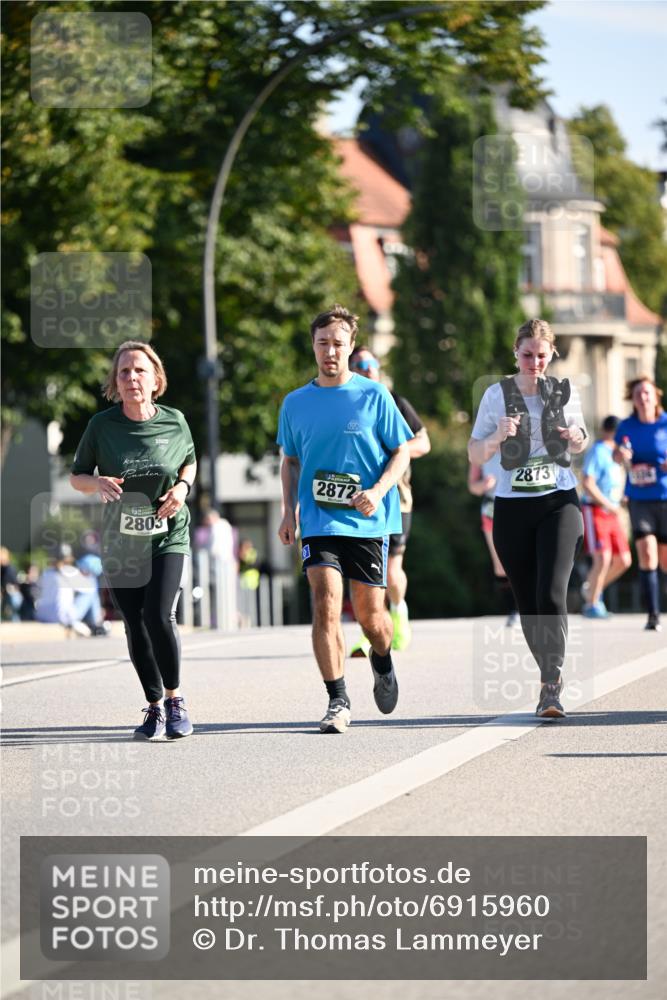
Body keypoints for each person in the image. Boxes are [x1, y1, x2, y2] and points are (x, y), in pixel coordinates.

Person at [277, 304, 412, 733]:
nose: (329, 351)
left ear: (351, 346)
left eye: (337, 344)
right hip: (319, 522)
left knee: (373, 618)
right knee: (325, 604)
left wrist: (377, 491)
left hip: (368, 522)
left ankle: (382, 659)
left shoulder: (374, 396)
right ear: (312, 347)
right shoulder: (295, 403)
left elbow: (401, 451)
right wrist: (287, 511)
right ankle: (338, 699)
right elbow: (290, 461)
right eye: (322, 344)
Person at [70, 340, 197, 740]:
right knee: (135, 625)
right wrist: (97, 482)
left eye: (139, 370)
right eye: (123, 372)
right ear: (115, 382)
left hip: (167, 534)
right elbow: (77, 477)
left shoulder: (174, 421)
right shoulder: (102, 426)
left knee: (159, 615)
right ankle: (154, 706)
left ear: (155, 378)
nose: (131, 378)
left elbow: (190, 462)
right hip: (121, 541)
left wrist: (182, 489)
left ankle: (176, 701)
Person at [468, 318, 587, 720]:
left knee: (552, 592)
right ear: (515, 354)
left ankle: (550, 685)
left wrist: (575, 438)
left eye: (541, 355)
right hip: (513, 506)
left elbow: (582, 436)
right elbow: (475, 454)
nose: (534, 362)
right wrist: (496, 437)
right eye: (526, 355)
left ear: (551, 354)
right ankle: (547, 672)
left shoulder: (565, 392)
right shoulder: (495, 396)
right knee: (530, 601)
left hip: (559, 502)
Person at [347, 346, 431, 654]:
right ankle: (369, 631)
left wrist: (395, 448)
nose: (366, 369)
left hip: (396, 497)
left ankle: (398, 611)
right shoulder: (345, 403)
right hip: (357, 497)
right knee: (364, 570)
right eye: (359, 364)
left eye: (371, 363)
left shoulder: (394, 401)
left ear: (378, 368)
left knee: (391, 569)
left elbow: (424, 442)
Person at [614, 376, 667, 631]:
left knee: (665, 560)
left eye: (646, 393)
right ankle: (653, 614)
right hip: (639, 498)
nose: (642, 397)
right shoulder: (626, 426)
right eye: (637, 394)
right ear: (632, 399)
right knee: (647, 553)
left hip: (665, 497)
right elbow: (616, 454)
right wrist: (620, 455)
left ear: (656, 396)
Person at [580, 415, 631, 618]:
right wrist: (609, 504)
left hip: (612, 511)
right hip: (595, 509)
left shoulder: (616, 454)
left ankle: (592, 588)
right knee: (602, 558)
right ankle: (592, 604)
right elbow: (588, 482)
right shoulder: (598, 451)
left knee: (624, 560)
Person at [467, 451, 519, 627]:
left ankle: (531, 607)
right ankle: (514, 610)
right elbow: (472, 486)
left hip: (519, 504)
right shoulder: (479, 446)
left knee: (524, 558)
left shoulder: (519, 439)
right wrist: (482, 484)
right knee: (500, 565)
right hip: (492, 507)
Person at [35, 544, 100, 636]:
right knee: (91, 589)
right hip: (62, 617)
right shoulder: (70, 572)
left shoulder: (46, 572)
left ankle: (93, 622)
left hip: (42, 615)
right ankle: (95, 622)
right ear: (69, 557)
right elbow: (89, 589)